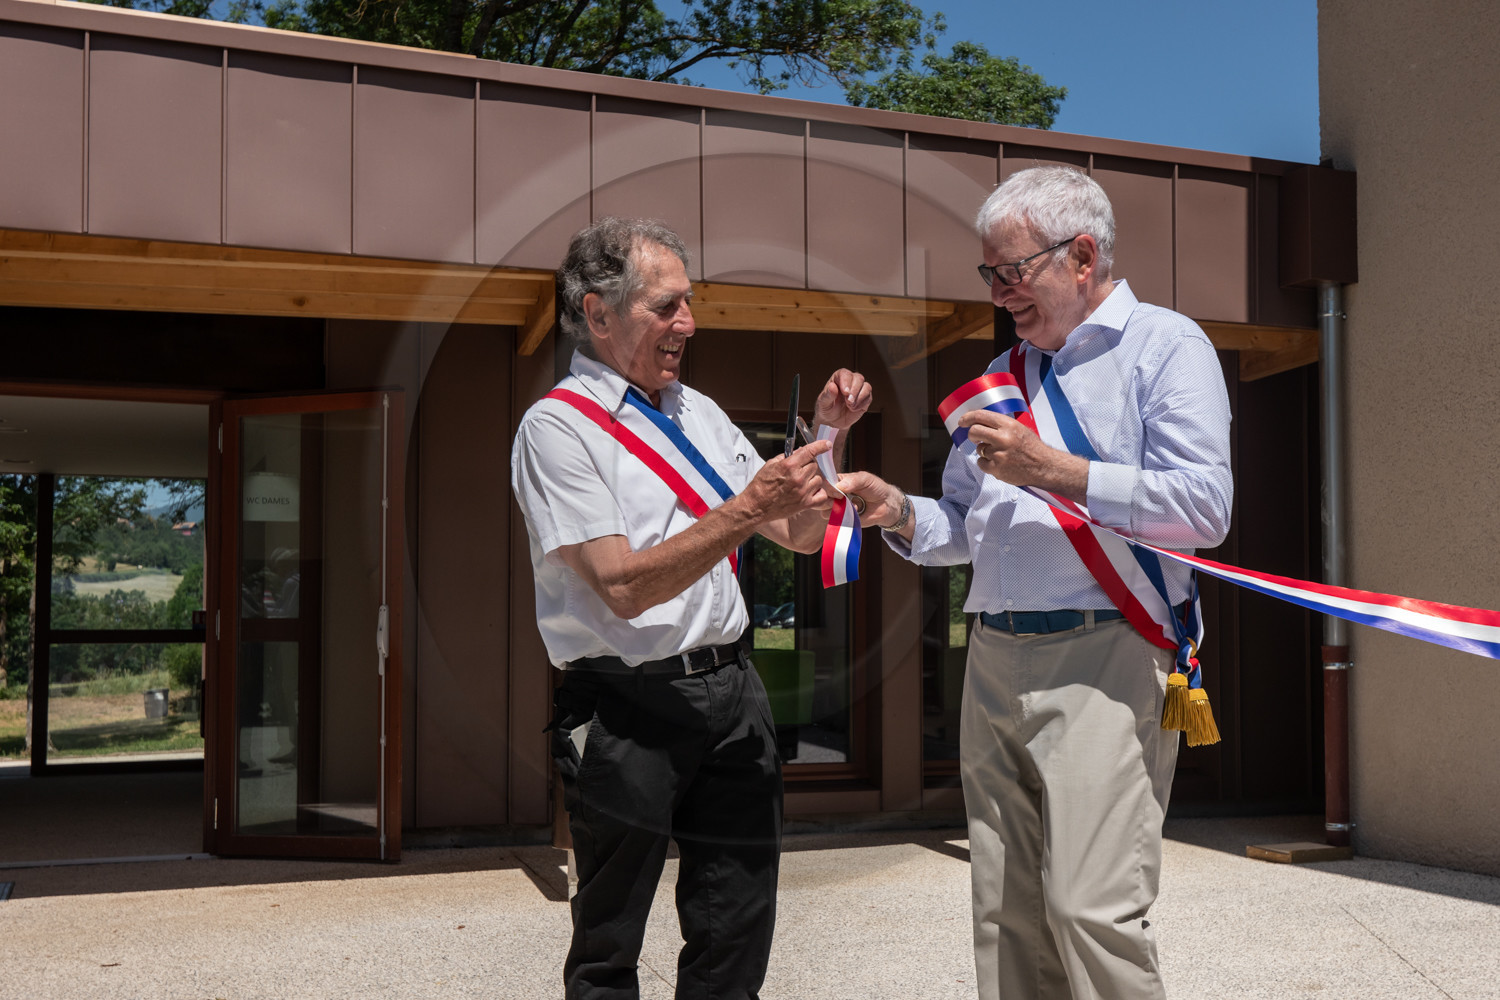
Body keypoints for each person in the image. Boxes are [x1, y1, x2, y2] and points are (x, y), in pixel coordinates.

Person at [838, 166, 1233, 1000]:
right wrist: (894, 513)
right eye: (990, 274)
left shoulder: (1166, 345)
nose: (999, 294)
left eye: (1011, 272)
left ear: (1083, 254)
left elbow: (1205, 507)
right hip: (993, 658)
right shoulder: (1005, 373)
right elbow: (960, 527)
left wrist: (1058, 470)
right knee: (1005, 913)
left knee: (1090, 908)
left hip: (1109, 651)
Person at [511, 217, 871, 1000]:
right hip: (625, 703)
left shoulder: (699, 413)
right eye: (665, 305)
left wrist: (828, 441)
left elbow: (800, 536)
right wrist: (747, 509)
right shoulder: (558, 427)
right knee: (610, 936)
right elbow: (622, 586)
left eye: (688, 303)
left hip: (733, 691)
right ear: (598, 313)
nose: (687, 323)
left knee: (735, 921)